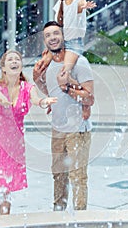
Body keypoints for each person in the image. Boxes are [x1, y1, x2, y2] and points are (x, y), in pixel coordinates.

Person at [0, 50, 57, 216]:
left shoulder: (28, 88)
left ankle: (4, 223)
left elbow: (35, 100)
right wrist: (2, 100)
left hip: (13, 145)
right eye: (10, 59)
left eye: (17, 59)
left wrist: (43, 102)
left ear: (20, 65)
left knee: (6, 187)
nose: (14, 62)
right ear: (4, 68)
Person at [33, 21, 94, 211]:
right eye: (48, 35)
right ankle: (58, 214)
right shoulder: (47, 65)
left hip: (78, 129)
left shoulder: (79, 63)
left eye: (55, 34)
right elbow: (48, 89)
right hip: (57, 128)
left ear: (63, 37)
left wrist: (67, 88)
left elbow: (90, 98)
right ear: (45, 41)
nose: (52, 38)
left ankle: (80, 218)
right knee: (58, 173)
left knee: (77, 175)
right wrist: (37, 80)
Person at [40, 0, 96, 120]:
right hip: (61, 43)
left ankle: (86, 103)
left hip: (74, 45)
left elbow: (80, 6)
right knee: (39, 70)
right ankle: (53, 98)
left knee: (63, 75)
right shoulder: (62, 0)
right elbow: (57, 23)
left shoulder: (80, 0)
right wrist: (49, 48)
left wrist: (84, 7)